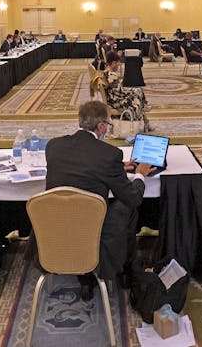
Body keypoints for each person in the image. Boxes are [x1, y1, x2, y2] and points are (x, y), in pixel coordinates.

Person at [45, 100, 154, 299]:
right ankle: (125, 271)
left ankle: (85, 278)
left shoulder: (54, 146)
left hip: (55, 230)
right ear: (101, 126)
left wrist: (115, 167)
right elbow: (133, 198)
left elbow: (79, 165)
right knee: (127, 207)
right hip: (93, 233)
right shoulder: (109, 154)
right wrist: (140, 174)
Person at [103, 51, 151, 131]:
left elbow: (117, 90)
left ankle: (145, 115)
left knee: (138, 92)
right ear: (114, 63)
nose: (119, 65)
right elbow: (120, 92)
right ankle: (142, 120)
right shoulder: (112, 75)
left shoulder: (106, 72)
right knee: (137, 96)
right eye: (118, 63)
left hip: (112, 98)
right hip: (115, 101)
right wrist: (131, 92)